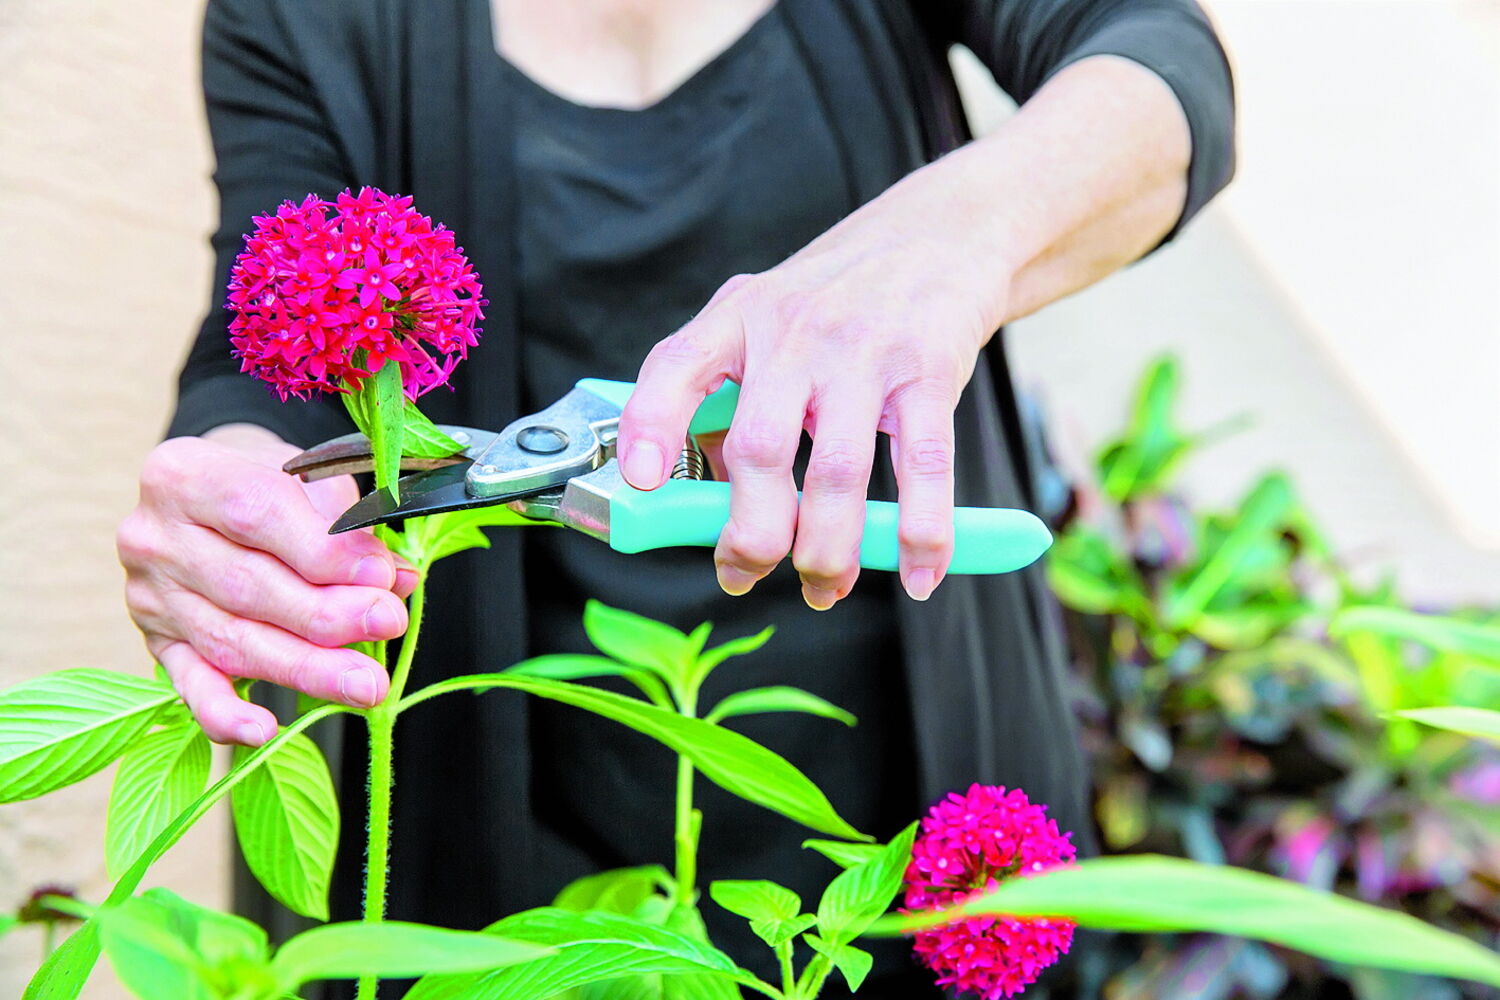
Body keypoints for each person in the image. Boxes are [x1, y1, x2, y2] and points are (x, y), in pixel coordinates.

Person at [117, 1, 1234, 995]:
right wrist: (232, 494)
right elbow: (255, 338)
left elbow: (1160, 66)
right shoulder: (293, 15)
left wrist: (949, 237)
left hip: (897, 823)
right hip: (496, 859)